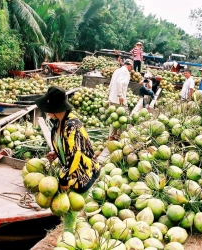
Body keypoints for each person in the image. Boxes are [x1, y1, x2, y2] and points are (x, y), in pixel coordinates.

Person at [35, 86, 100, 232]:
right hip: (71, 172)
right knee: (69, 207)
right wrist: (57, 153)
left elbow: (75, 155)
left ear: (53, 108)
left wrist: (64, 181)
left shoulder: (72, 125)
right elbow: (67, 147)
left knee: (70, 210)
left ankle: (67, 238)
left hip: (83, 172)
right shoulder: (59, 122)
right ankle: (69, 232)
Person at [108, 59, 133, 140]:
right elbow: (119, 83)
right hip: (118, 99)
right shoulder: (125, 72)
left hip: (112, 98)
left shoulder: (117, 70)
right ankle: (120, 136)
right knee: (124, 117)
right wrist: (120, 95)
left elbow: (111, 83)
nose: (131, 69)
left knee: (114, 118)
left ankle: (111, 136)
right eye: (131, 67)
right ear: (129, 65)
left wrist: (110, 94)